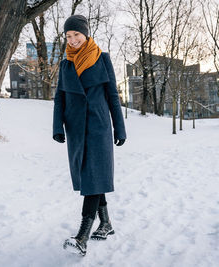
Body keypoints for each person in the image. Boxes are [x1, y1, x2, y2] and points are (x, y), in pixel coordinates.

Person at [52, 14, 126, 256]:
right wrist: (57, 127)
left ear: (86, 34)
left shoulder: (102, 59)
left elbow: (113, 96)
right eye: (68, 36)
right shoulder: (66, 64)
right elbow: (59, 98)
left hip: (98, 127)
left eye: (76, 35)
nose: (72, 40)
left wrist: (120, 127)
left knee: (93, 178)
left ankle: (82, 236)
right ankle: (106, 223)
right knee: (91, 177)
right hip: (76, 130)